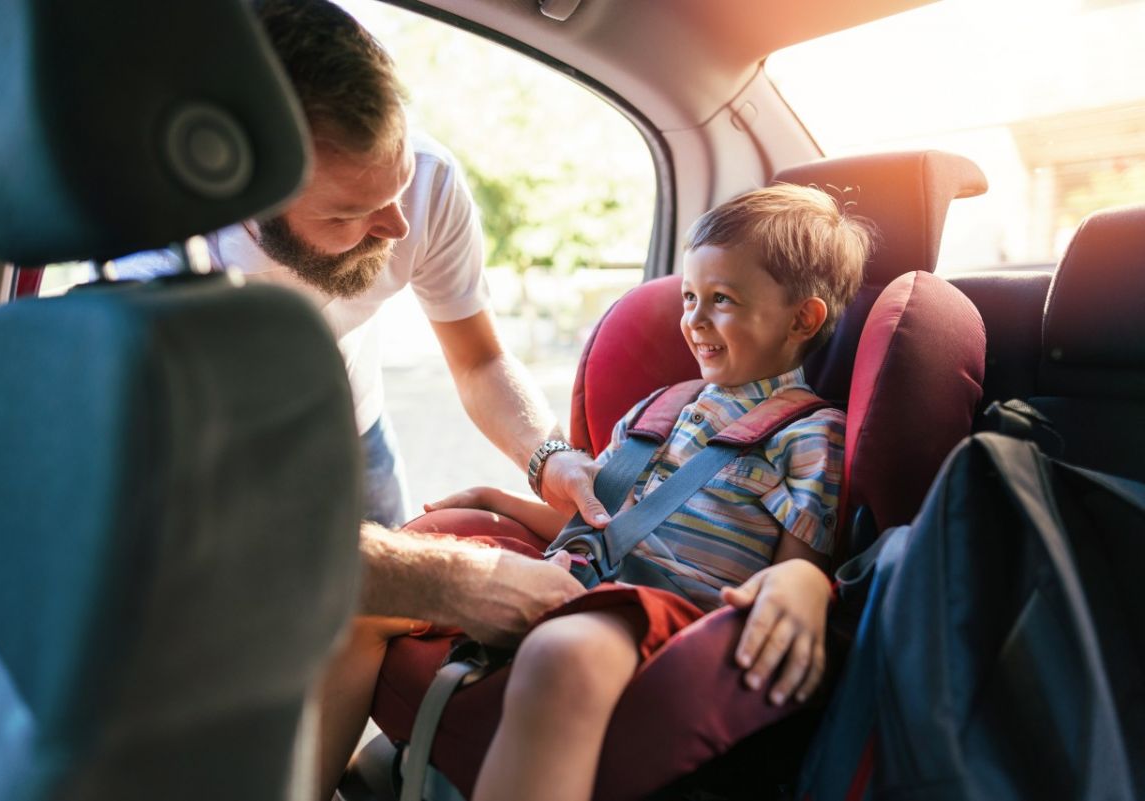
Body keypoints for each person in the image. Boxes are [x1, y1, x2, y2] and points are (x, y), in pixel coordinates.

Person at [311, 183, 873, 801]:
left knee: (565, 651)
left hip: (667, 616)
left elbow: (798, 570)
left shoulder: (810, 434)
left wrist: (806, 586)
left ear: (803, 318)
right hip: (579, 579)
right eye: (689, 297)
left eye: (722, 300)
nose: (694, 319)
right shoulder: (660, 408)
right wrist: (497, 503)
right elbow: (602, 528)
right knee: (360, 603)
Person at [112, 0, 608, 531]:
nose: (397, 227)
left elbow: (479, 360)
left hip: (358, 431)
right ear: (249, 197)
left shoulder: (428, 185)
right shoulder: (159, 260)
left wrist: (547, 455)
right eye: (350, 212)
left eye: (397, 185)